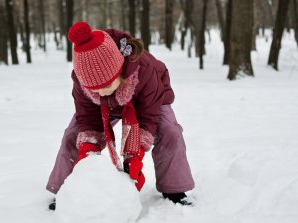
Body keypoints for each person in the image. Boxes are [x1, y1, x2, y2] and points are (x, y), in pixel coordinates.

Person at [46, 21, 195, 210]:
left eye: (106, 85)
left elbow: (148, 117)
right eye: (94, 89)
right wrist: (88, 148)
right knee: (72, 135)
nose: (101, 92)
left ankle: (174, 189)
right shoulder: (82, 80)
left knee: (170, 131)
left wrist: (135, 155)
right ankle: (67, 191)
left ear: (120, 71)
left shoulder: (146, 70)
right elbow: (87, 118)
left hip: (149, 101)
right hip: (106, 107)